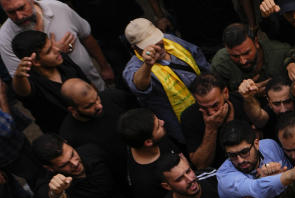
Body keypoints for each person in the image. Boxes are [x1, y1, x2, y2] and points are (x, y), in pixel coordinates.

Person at [122, 17, 210, 146]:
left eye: (157, 39)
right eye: (150, 44)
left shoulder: (171, 41)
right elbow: (139, 87)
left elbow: (199, 58)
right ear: (135, 47)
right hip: (184, 125)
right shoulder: (134, 67)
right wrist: (147, 65)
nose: (158, 46)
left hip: (208, 104)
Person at [0, 0, 113, 90]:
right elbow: (21, 80)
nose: (19, 16)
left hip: (96, 83)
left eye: (21, 8)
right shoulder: (5, 38)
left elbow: (86, 36)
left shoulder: (57, 8)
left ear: (31, 1)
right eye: (11, 12)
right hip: (65, 104)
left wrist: (105, 67)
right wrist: (56, 53)